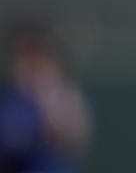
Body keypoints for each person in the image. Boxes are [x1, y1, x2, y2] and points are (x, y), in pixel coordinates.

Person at [0, 19, 94, 173]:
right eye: (25, 57)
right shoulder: (10, 102)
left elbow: (75, 135)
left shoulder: (65, 98)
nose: (32, 66)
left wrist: (49, 105)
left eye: (38, 57)